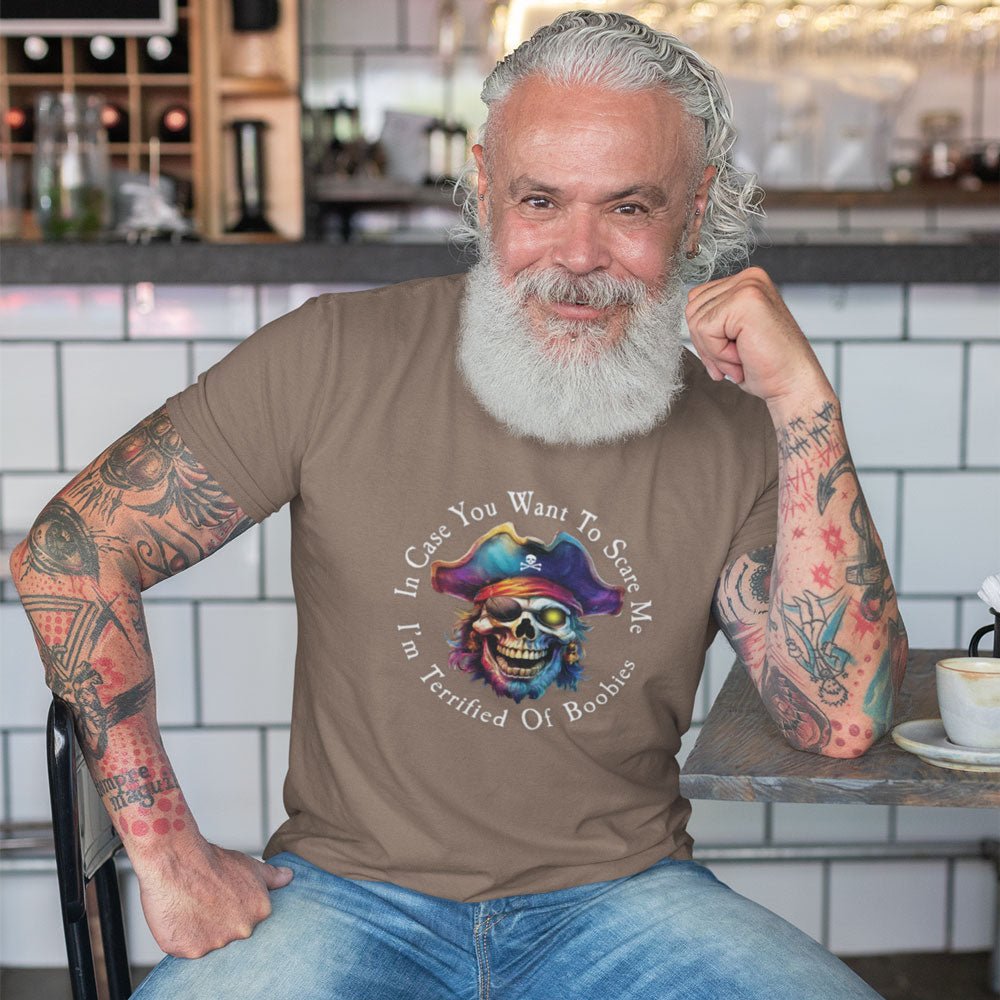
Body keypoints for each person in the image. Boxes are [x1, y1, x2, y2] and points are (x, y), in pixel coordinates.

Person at [11, 11, 905, 998]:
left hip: (625, 899)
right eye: (540, 200)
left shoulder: (736, 423)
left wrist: (803, 400)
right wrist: (168, 851)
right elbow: (69, 549)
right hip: (344, 897)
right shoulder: (333, 356)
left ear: (693, 215)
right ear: (484, 191)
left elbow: (837, 721)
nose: (578, 254)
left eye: (629, 207)